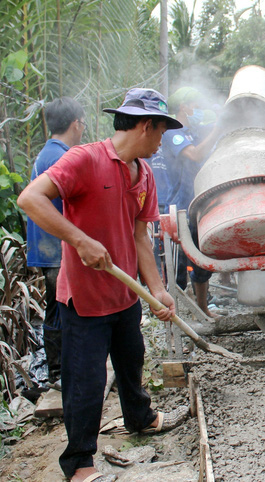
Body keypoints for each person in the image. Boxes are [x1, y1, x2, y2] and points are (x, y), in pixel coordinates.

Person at [17, 88, 190, 482]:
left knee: (132, 364)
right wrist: (78, 239)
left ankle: (141, 419)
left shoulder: (142, 172)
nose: (162, 141)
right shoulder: (85, 159)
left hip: (125, 293)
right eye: (161, 132)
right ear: (146, 126)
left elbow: (140, 237)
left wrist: (157, 289)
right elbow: (30, 200)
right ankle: (79, 463)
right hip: (85, 299)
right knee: (86, 383)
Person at [26, 97, 86, 387]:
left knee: (56, 307)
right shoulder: (62, 158)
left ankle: (59, 371)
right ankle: (61, 373)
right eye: (83, 123)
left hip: (45, 246)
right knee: (63, 308)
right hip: (56, 248)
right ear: (75, 124)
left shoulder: (45, 154)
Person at [160, 87, 222, 318]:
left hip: (197, 202)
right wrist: (218, 129)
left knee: (201, 260)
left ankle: (202, 309)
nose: (198, 109)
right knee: (177, 268)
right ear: (184, 107)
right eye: (195, 105)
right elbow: (194, 155)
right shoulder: (172, 132)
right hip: (179, 205)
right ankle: (174, 316)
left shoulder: (192, 132)